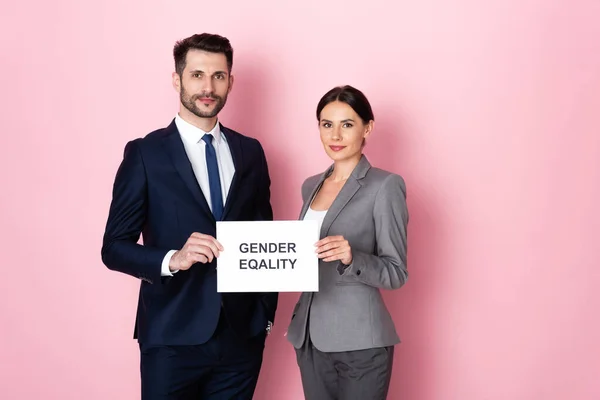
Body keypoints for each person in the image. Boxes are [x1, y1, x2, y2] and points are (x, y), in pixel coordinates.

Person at [101, 33, 278, 399]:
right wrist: (173, 259)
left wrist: (264, 316)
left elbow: (266, 233)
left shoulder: (250, 152)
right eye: (197, 75)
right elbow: (114, 247)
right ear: (177, 79)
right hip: (171, 338)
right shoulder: (145, 154)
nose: (208, 87)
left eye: (218, 75)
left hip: (240, 338)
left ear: (231, 81)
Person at [286, 85, 409, 399]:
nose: (335, 135)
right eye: (327, 125)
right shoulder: (310, 185)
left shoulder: (385, 186)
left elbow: (396, 272)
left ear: (367, 127)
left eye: (347, 124)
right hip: (310, 339)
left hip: (361, 343)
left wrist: (352, 258)